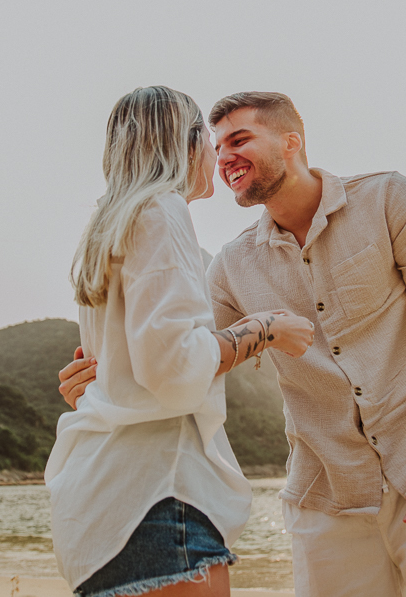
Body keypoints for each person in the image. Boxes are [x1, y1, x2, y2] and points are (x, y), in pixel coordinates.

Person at [62, 91, 406, 596]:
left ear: (291, 142)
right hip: (326, 504)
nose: (223, 156)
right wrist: (104, 375)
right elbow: (175, 355)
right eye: (216, 143)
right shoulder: (229, 266)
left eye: (239, 139)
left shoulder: (388, 200)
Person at [46, 86, 314, 597]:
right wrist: (266, 329)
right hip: (157, 498)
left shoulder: (108, 228)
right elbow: (172, 368)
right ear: (186, 145)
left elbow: (124, 368)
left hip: (104, 502)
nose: (218, 156)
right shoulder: (161, 212)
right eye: (209, 141)